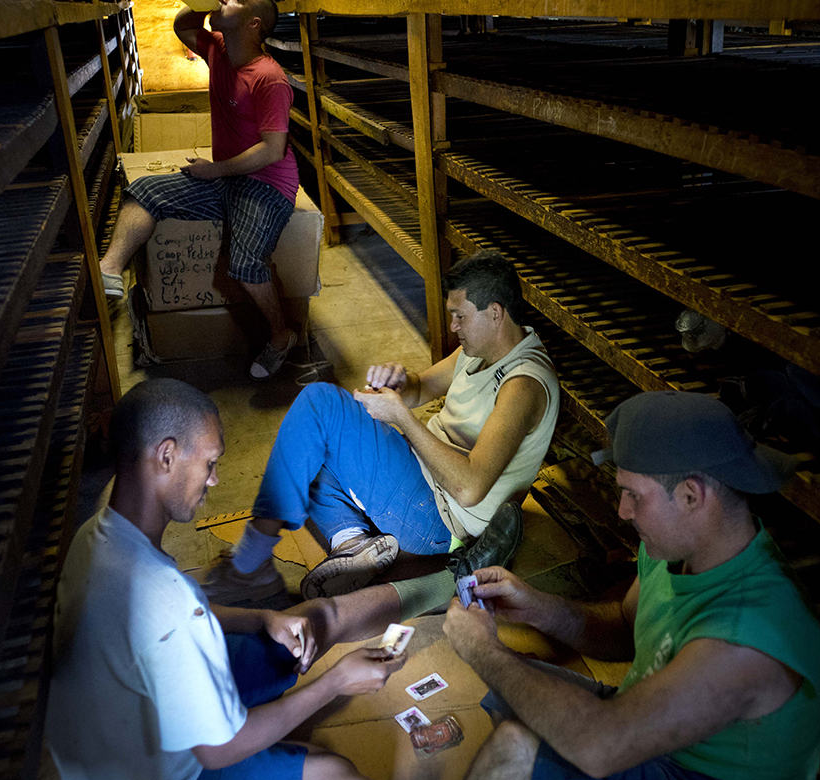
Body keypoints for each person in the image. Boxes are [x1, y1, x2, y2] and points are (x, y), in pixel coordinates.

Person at [442, 391, 820, 780]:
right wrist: (538, 608)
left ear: (692, 496)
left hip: (696, 776)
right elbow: (626, 630)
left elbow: (600, 746)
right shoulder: (674, 549)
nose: (623, 511)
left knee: (515, 748)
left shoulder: (747, 634)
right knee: (514, 689)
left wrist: (481, 648)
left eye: (634, 495)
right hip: (655, 740)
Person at [45, 378, 409, 780]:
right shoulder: (167, 597)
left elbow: (160, 625)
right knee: (343, 778)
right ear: (166, 456)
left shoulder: (94, 537)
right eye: (210, 462)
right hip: (165, 776)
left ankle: (445, 583)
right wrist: (336, 682)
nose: (215, 479)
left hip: (128, 735)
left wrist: (261, 618)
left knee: (307, 621)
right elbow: (217, 751)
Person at [202, 250, 560, 610]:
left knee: (319, 402)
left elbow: (468, 489)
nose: (453, 326)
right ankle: (353, 543)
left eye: (459, 316)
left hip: (442, 517)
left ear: (495, 313)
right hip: (424, 479)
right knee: (306, 450)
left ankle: (249, 564)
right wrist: (400, 381)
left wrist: (401, 417)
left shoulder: (522, 385)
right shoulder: (483, 347)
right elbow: (423, 387)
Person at [98, 0, 301, 380]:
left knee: (244, 265)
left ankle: (281, 337)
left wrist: (216, 170)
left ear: (253, 23)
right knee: (144, 191)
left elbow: (273, 150)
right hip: (227, 177)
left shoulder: (269, 78)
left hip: (265, 185)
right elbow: (182, 25)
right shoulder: (219, 51)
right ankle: (109, 269)